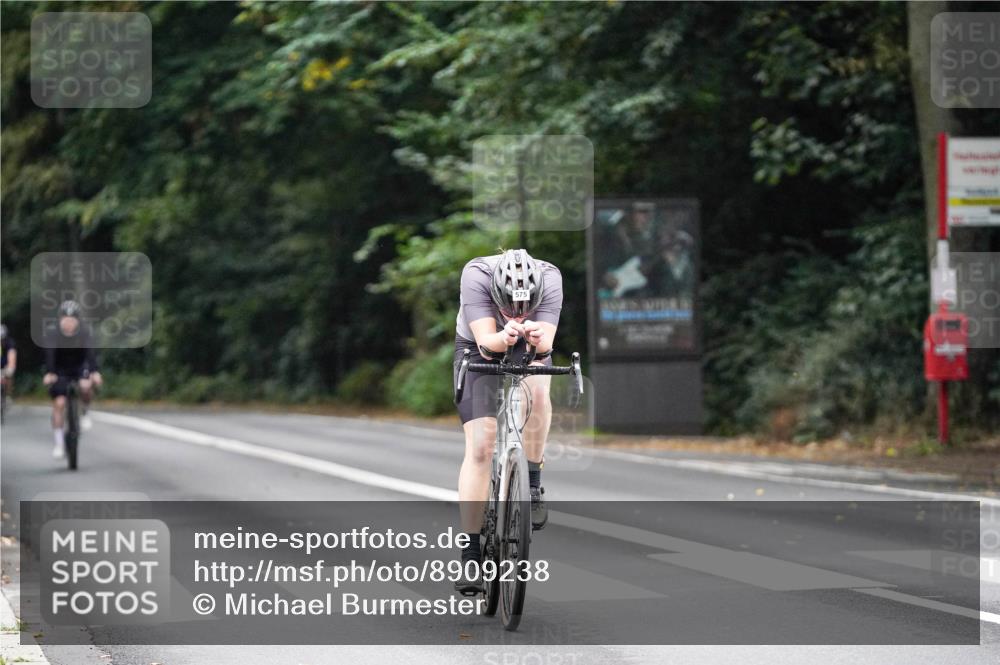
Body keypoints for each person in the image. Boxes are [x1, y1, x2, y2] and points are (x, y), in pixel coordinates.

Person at [452, 249, 562, 594]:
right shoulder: (476, 276)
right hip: (478, 345)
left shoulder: (550, 277)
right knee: (482, 445)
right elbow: (487, 343)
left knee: (540, 395)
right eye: (507, 308)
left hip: (527, 346)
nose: (515, 313)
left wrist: (535, 340)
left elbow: (545, 348)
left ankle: (531, 479)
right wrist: (505, 335)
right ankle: (471, 552)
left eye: (525, 307)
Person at [42, 301, 102, 458]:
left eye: (72, 319)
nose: (68, 323)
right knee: (59, 403)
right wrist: (49, 373)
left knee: (85, 386)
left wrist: (94, 372)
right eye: (65, 319)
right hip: (60, 369)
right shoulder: (53, 333)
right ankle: (59, 443)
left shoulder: (84, 332)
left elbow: (90, 352)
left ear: (77, 320)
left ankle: (85, 412)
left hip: (79, 366)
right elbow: (50, 354)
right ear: (60, 319)